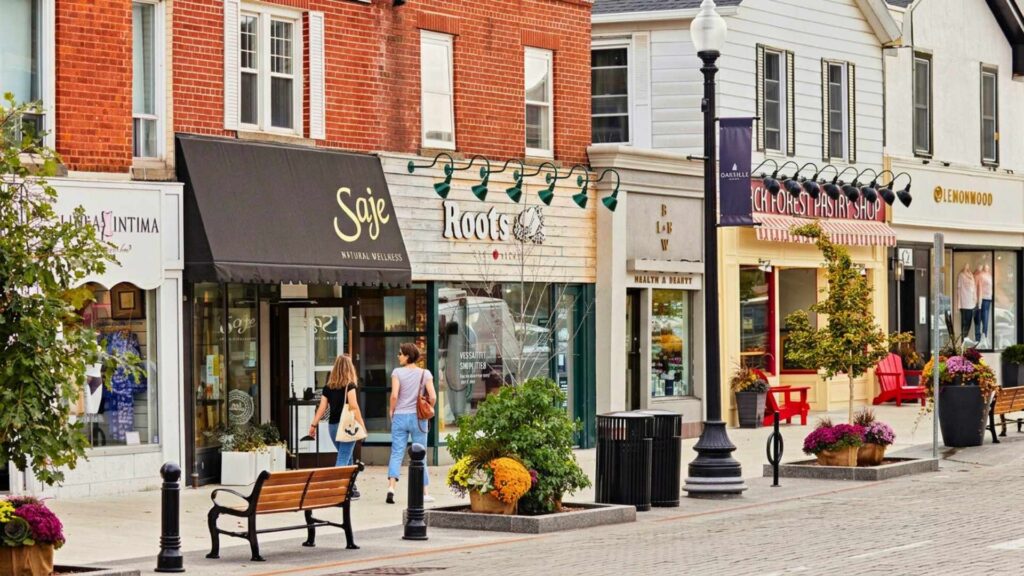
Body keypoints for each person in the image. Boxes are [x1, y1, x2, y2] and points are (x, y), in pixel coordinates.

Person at [387, 342, 436, 504]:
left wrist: (391, 411)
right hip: (418, 418)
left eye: (400, 353)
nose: (398, 356)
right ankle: (425, 492)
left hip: (400, 417)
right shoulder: (425, 373)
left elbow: (394, 395)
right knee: (421, 454)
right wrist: (427, 408)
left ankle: (391, 488)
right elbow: (433, 396)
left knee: (396, 453)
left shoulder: (397, 372)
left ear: (407, 356)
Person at [310, 354, 364, 499]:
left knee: (347, 455)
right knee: (343, 458)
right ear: (349, 369)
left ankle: (351, 487)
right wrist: (362, 425)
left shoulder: (328, 387)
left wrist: (313, 425)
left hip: (332, 427)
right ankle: (336, 488)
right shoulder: (350, 386)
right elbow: (354, 407)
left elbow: (321, 408)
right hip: (347, 426)